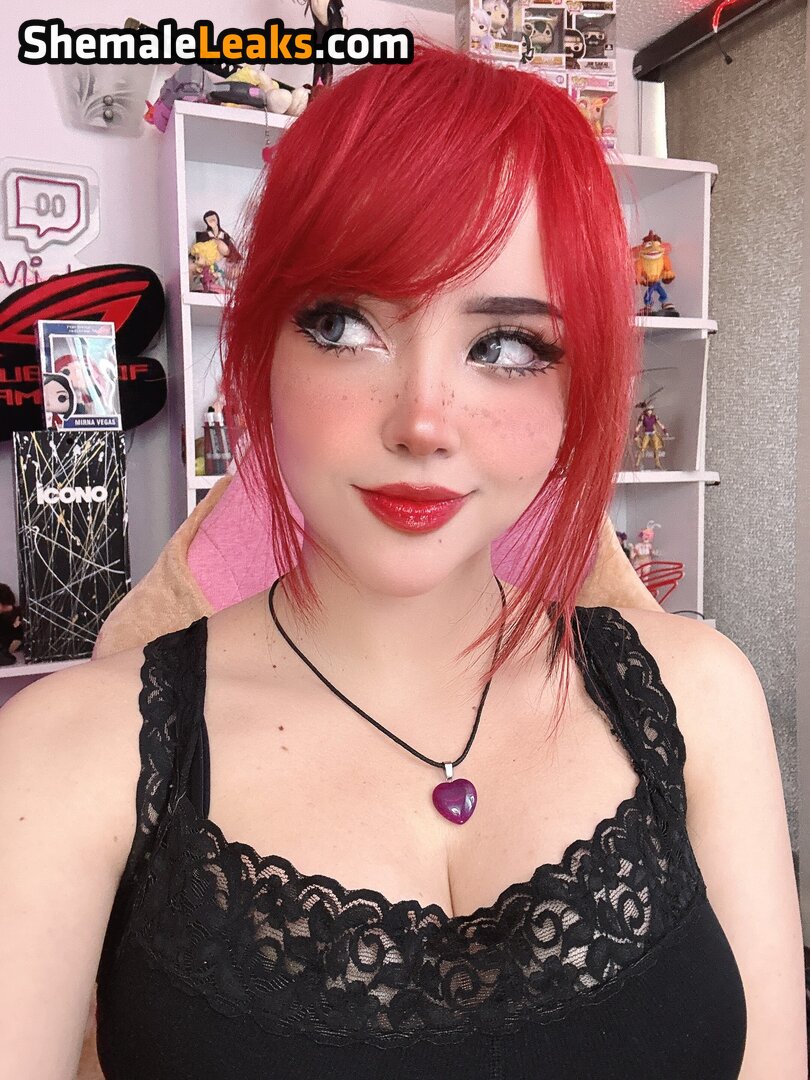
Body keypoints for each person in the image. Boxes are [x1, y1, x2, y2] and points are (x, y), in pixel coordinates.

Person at [0, 38, 805, 1080]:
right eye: (342, 323)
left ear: (578, 388)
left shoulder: (705, 699)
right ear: (256, 351)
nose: (423, 421)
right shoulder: (69, 755)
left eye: (507, 345)